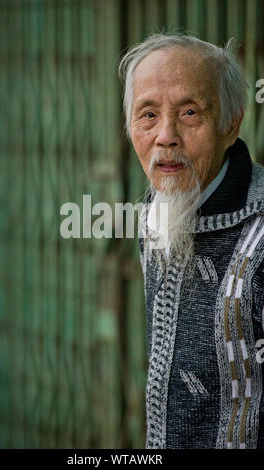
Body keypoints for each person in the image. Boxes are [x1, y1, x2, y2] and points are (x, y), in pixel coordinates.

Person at [118, 33, 264, 449]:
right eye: (147, 114)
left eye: (189, 112)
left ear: (230, 124)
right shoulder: (159, 211)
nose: (166, 136)